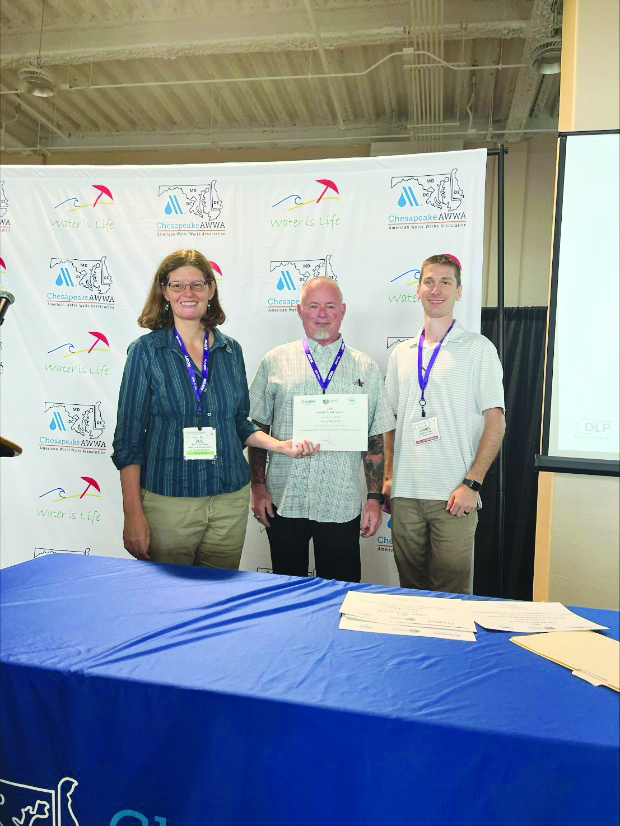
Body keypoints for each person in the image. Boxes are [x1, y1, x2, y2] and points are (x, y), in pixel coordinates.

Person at [112, 249, 317, 568]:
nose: (188, 293)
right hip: (170, 500)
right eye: (177, 285)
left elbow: (239, 422)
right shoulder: (146, 352)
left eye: (197, 284)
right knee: (171, 594)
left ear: (210, 290)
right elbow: (128, 441)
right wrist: (132, 513)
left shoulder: (230, 350)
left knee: (219, 594)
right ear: (164, 292)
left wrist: (280, 446)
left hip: (229, 500)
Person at [248, 276, 395, 583]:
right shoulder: (274, 362)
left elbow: (375, 439)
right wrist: (258, 487)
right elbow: (258, 427)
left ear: (343, 311)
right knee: (286, 590)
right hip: (284, 499)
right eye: (314, 306)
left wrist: (373, 498)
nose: (322, 314)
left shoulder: (365, 368)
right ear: (300, 311)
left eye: (330, 306)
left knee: (340, 591)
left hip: (340, 502)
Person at [383, 253, 505, 594]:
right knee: (409, 593)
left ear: (458, 291)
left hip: (454, 495)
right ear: (418, 290)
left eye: (445, 282)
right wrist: (388, 477)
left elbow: (496, 422)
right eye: (429, 282)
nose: (436, 290)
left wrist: (473, 484)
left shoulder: (478, 349)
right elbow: (390, 422)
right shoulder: (402, 354)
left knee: (451, 596)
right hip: (405, 494)